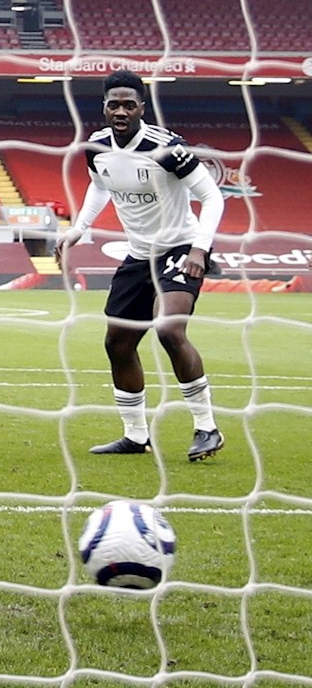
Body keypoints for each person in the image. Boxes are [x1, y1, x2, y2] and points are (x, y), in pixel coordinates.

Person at [56, 68, 226, 461]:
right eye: (113, 104)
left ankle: (207, 428)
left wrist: (200, 250)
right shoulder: (96, 147)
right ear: (104, 107)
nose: (120, 111)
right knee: (118, 343)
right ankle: (135, 436)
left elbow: (212, 197)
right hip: (137, 256)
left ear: (141, 108)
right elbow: (99, 185)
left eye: (128, 105)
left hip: (179, 249)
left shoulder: (167, 147)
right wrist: (78, 229)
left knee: (168, 330)